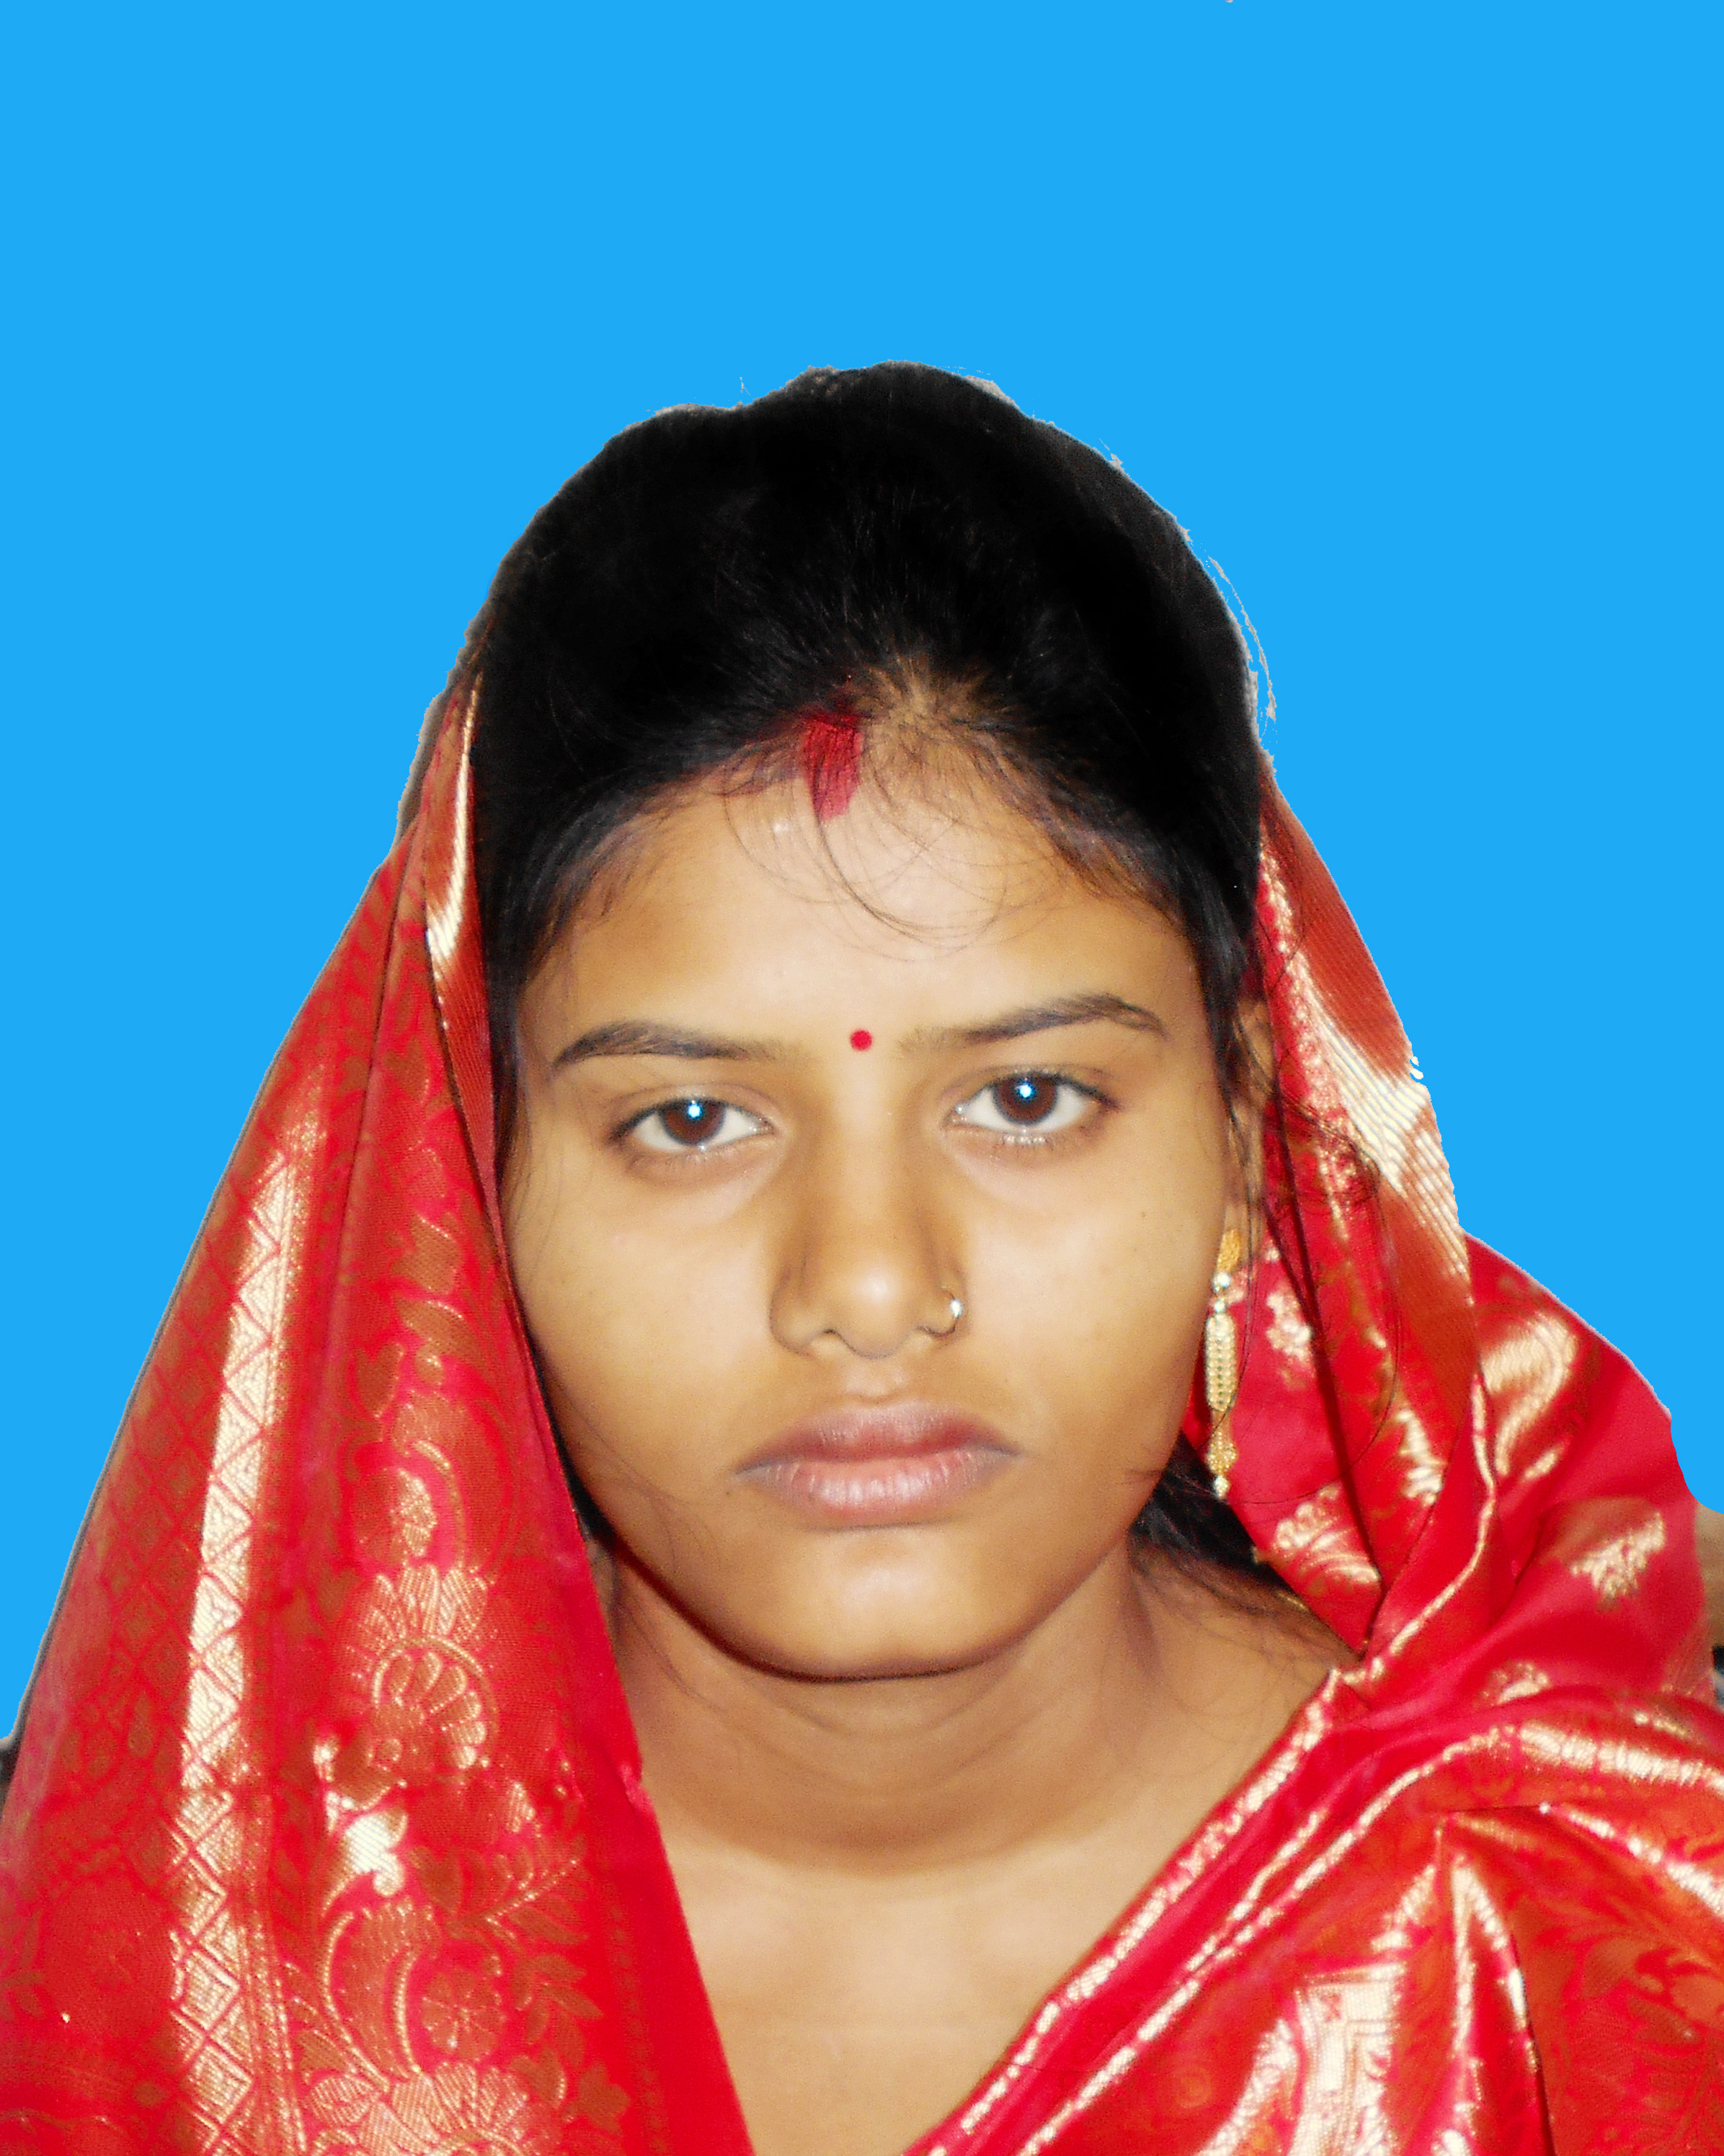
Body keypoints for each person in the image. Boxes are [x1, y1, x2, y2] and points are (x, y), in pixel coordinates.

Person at [1, 365, 1719, 2156]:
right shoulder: (172, 1969)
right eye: (689, 1120)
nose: (871, 1286)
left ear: (1243, 1122)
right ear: (469, 1174)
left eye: (1028, 1098)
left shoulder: (1584, 1938)